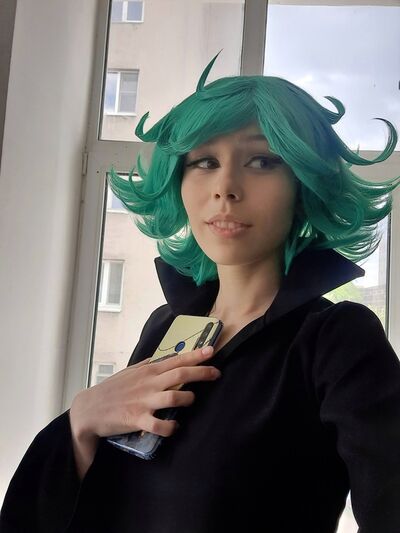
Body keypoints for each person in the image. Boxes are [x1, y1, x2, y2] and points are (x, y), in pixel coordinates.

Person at [1, 51, 400, 533]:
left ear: (304, 185)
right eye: (205, 161)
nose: (225, 188)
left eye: (262, 161)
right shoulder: (165, 327)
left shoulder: (336, 339)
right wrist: (80, 421)